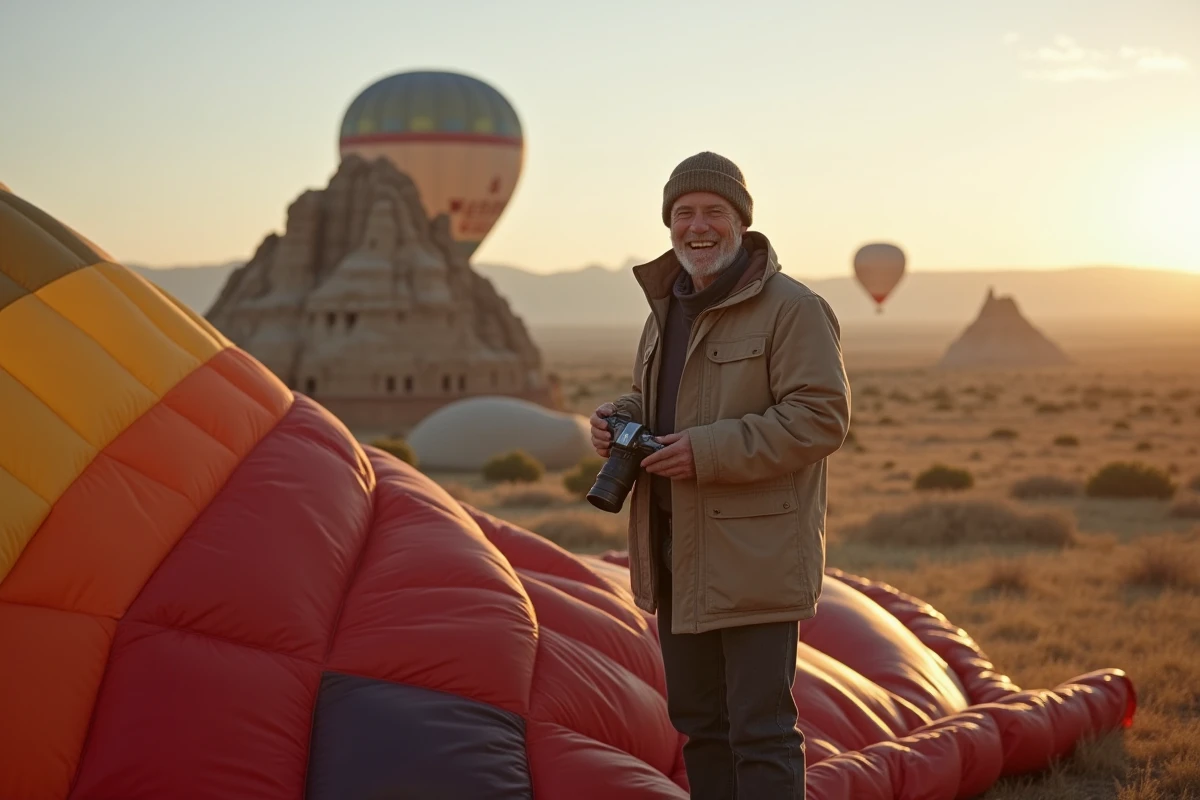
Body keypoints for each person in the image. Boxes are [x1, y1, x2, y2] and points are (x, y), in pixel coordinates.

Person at [590, 152, 851, 799]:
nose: (697, 226)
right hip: (679, 553)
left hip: (756, 555)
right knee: (701, 725)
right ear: (669, 224)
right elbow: (663, 403)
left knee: (760, 730)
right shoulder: (665, 309)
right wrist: (619, 419)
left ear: (741, 221)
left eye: (713, 212)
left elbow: (821, 418)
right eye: (684, 214)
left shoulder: (793, 308)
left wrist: (707, 451)